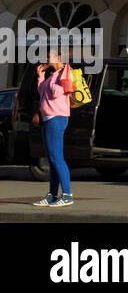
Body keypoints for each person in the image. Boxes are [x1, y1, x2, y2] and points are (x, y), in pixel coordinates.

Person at [33, 50, 75, 208]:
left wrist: (58, 78)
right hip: (48, 119)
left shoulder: (64, 74)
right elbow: (42, 93)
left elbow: (56, 93)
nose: (46, 58)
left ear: (59, 58)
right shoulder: (53, 75)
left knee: (57, 157)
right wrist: (41, 77)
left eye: (49, 56)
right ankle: (52, 195)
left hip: (57, 118)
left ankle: (67, 195)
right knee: (51, 159)